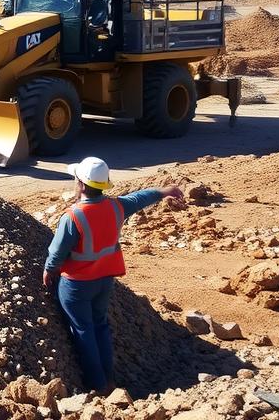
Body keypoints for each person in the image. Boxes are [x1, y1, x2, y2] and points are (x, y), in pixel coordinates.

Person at [45, 157, 184, 392]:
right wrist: (163, 191)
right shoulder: (117, 207)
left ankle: (98, 386)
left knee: (83, 331)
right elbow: (140, 198)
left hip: (76, 286)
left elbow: (57, 252)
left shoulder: (73, 217)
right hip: (104, 281)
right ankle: (109, 380)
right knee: (100, 326)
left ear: (80, 183)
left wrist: (49, 270)